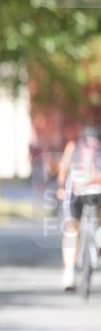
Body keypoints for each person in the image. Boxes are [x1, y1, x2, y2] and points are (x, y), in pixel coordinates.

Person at [57, 124, 101, 291]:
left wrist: (61, 187)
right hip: (98, 191)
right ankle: (99, 237)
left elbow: (63, 168)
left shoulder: (73, 146)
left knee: (71, 229)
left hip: (76, 191)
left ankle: (68, 273)